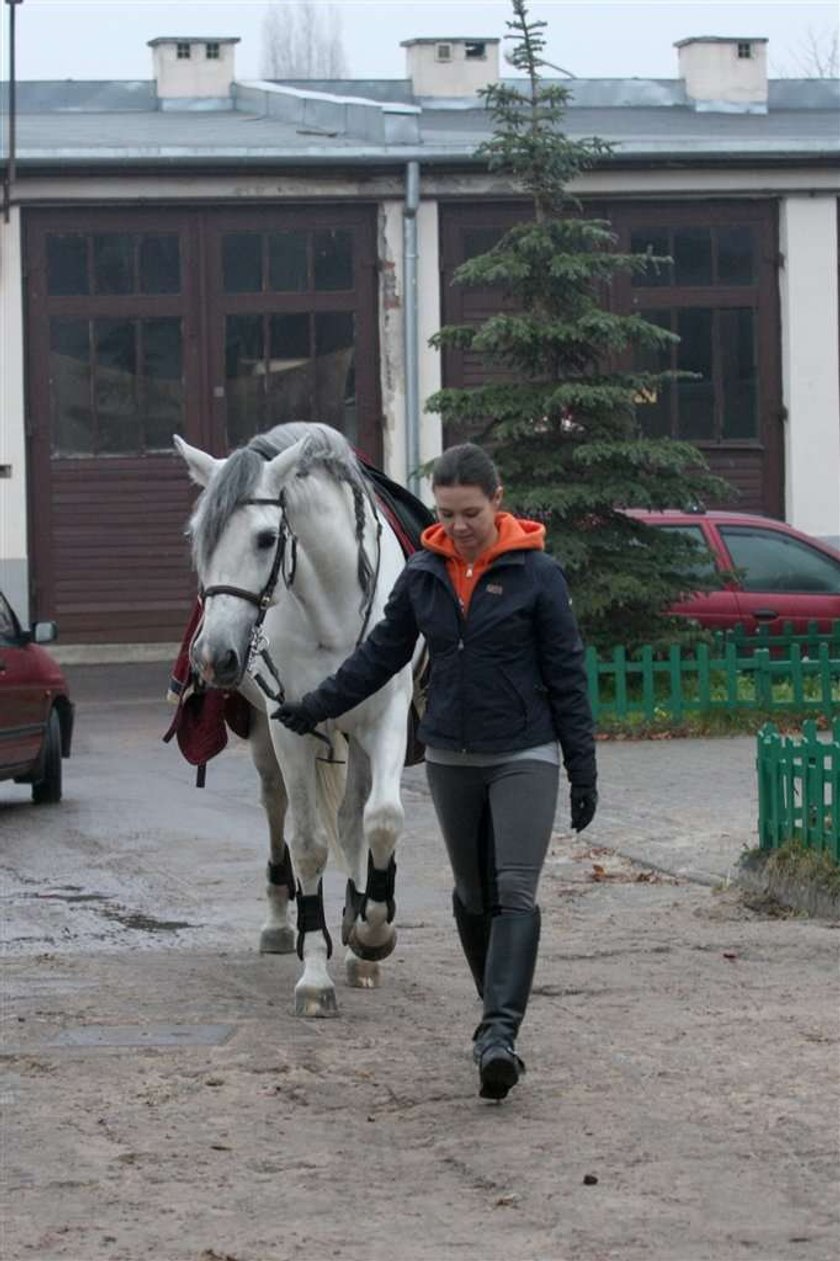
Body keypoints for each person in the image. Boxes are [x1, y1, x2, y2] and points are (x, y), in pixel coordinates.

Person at [275, 443, 597, 1101]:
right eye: (447, 513)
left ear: (496, 500)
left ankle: (500, 1031)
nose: (459, 526)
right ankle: (494, 1022)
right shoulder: (422, 574)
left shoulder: (538, 576)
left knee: (514, 890)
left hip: (525, 753)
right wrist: (314, 706)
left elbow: (567, 677)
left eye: (471, 512)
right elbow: (378, 658)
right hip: (451, 756)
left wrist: (583, 770)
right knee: (473, 896)